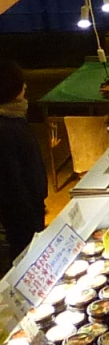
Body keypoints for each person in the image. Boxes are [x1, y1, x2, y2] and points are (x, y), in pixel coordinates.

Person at [0, 61, 45, 260]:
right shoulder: (6, 128)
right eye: (21, 83)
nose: (25, 87)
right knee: (26, 253)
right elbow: (12, 182)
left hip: (32, 204)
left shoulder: (14, 116)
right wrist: (30, 216)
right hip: (22, 212)